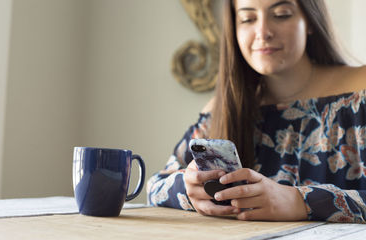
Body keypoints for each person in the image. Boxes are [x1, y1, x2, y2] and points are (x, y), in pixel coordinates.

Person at [147, 0, 366, 223]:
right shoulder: (221, 110)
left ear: (310, 21)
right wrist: (189, 189)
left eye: (281, 15)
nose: (263, 32)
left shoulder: (361, 92)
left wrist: (299, 201)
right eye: (247, 19)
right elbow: (155, 187)